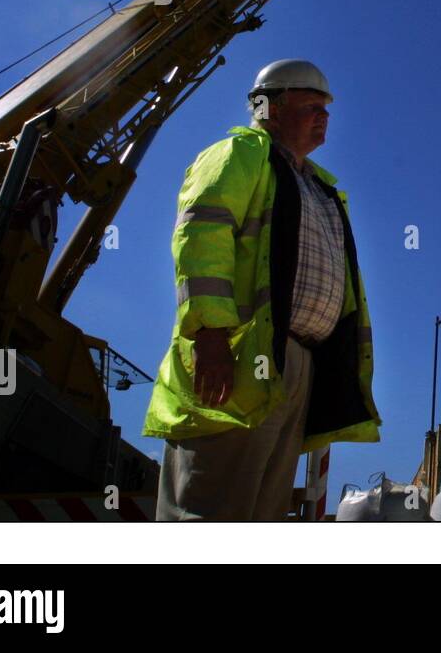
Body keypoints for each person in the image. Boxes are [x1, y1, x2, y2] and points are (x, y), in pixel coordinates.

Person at [143, 59, 381, 520]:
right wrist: (211, 336)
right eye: (311, 105)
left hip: (295, 363)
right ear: (268, 107)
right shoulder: (239, 155)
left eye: (327, 109)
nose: (323, 116)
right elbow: (203, 238)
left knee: (261, 514)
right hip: (237, 354)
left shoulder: (319, 187)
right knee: (210, 510)